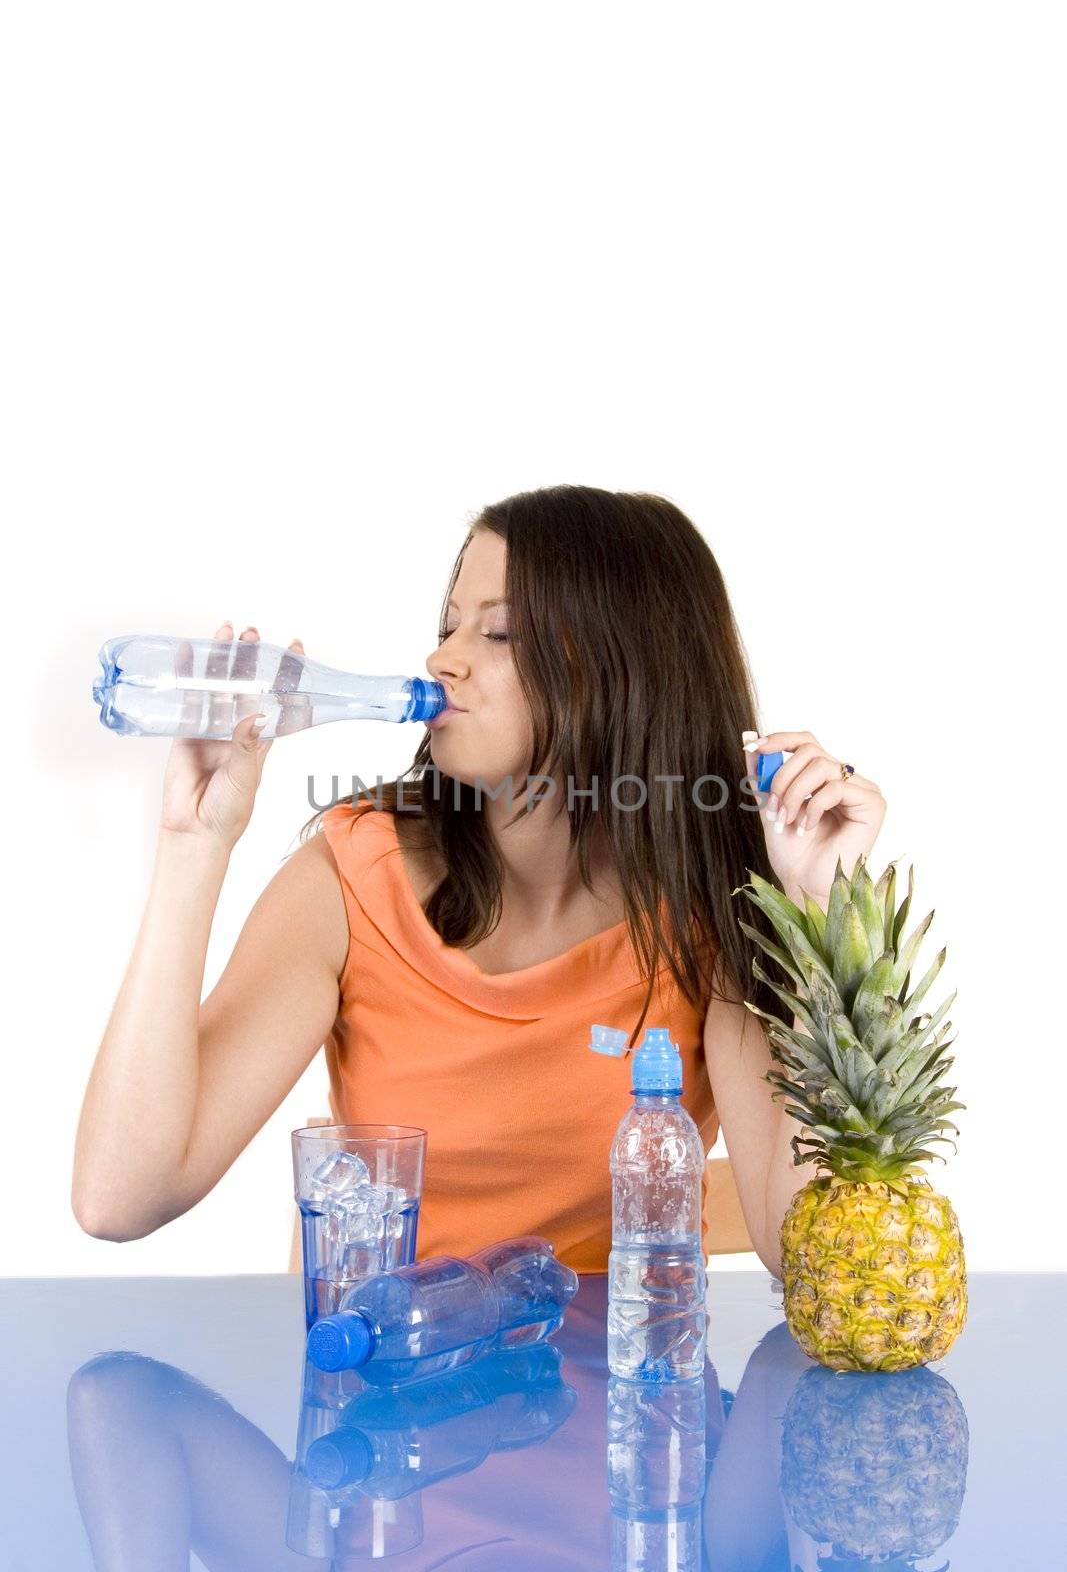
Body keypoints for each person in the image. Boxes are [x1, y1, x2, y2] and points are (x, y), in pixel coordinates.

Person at [72, 485, 886, 1273]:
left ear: (623, 667)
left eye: (496, 635)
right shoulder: (353, 881)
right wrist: (194, 844)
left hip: (635, 1397)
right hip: (391, 1396)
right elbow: (119, 1200)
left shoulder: (712, 912)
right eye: (449, 624)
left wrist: (816, 908)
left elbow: (804, 1251)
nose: (440, 658)